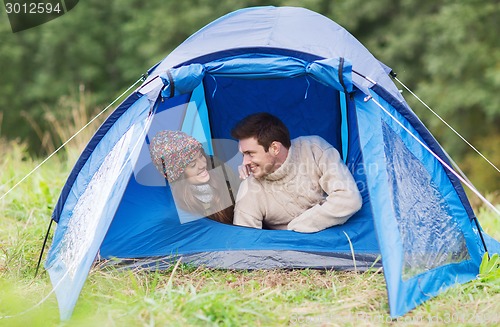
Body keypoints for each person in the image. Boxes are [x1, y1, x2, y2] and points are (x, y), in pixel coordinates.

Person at [231, 112, 362, 233]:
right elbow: (245, 244)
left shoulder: (314, 149)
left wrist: (295, 227)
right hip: (294, 254)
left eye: (250, 154)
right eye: (243, 155)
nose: (244, 162)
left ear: (274, 148)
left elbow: (349, 199)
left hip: (344, 240)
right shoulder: (250, 188)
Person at [149, 130, 234, 224]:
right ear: (179, 175)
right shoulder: (176, 210)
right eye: (193, 164)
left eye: (201, 156)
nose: (202, 165)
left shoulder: (220, 171)